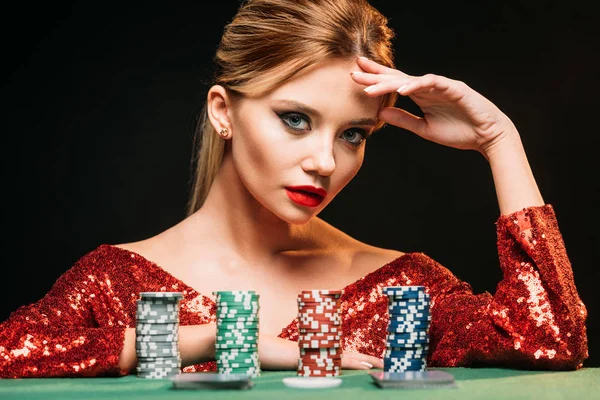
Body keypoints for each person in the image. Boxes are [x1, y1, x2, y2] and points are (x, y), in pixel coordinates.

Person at [0, 0, 588, 378]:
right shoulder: (112, 281)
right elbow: (11, 350)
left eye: (355, 134)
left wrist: (499, 139)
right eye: (296, 119)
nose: (325, 161)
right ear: (223, 111)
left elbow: (552, 338)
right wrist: (223, 340)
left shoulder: (400, 287)